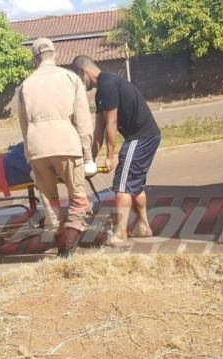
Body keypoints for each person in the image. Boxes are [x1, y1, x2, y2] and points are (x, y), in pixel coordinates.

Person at [71, 55, 161, 247]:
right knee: (133, 184)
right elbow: (99, 130)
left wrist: (110, 157)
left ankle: (120, 234)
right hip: (142, 137)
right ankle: (143, 227)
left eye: (78, 78)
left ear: (83, 72)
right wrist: (90, 159)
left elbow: (111, 124)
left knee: (122, 185)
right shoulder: (100, 93)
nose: (79, 83)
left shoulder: (108, 85)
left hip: (141, 137)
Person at [18, 38, 96, 258]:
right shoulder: (70, 78)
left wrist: (28, 157)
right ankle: (68, 246)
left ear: (34, 59)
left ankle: (57, 232)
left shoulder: (26, 84)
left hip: (37, 147)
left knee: (50, 199)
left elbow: (24, 125)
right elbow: (83, 122)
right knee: (78, 198)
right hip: (66, 144)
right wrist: (88, 155)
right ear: (56, 54)